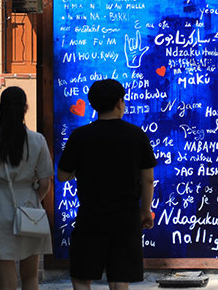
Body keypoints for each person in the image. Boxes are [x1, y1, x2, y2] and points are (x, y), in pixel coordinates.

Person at [57, 79, 157, 290]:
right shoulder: (136, 135)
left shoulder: (80, 136)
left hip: (91, 215)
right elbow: (148, 178)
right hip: (126, 216)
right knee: (120, 277)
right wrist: (145, 210)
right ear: (120, 103)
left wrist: (83, 169)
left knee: (82, 275)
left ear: (93, 105)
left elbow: (62, 175)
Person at [0, 86, 53, 290]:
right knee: (30, 277)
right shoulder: (38, 141)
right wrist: (34, 200)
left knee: (6, 283)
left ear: (1, 109)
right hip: (29, 208)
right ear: (26, 108)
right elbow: (45, 183)